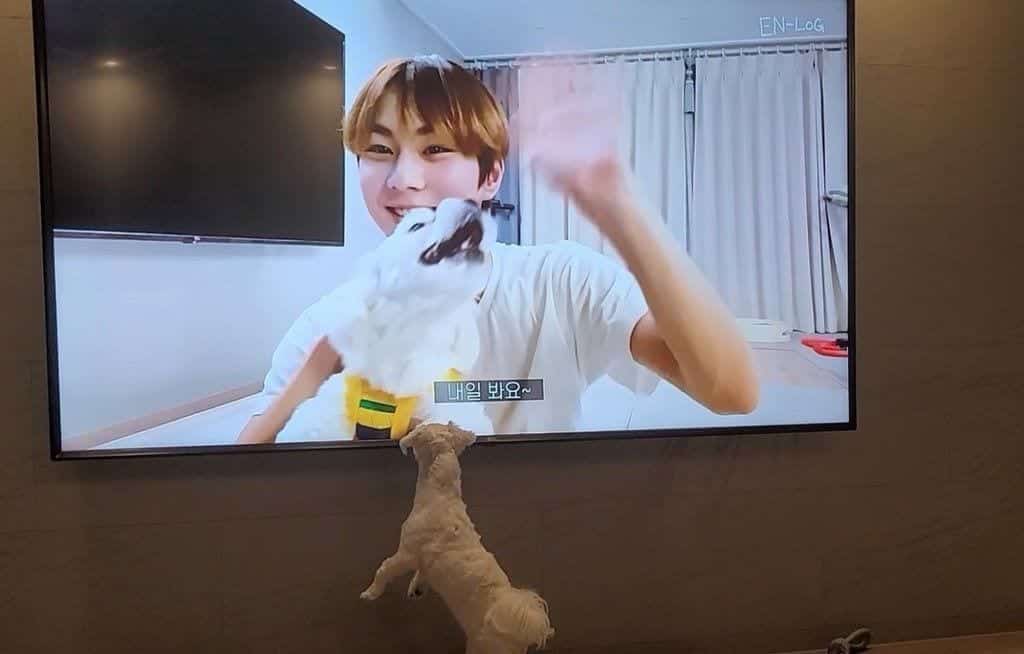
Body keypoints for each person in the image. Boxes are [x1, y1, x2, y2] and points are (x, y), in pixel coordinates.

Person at [237, 55, 758, 444]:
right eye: (379, 150)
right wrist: (318, 374)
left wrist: (616, 202)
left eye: (435, 148)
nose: (402, 179)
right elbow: (243, 474)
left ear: (489, 176)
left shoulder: (561, 281)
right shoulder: (329, 321)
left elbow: (730, 392)